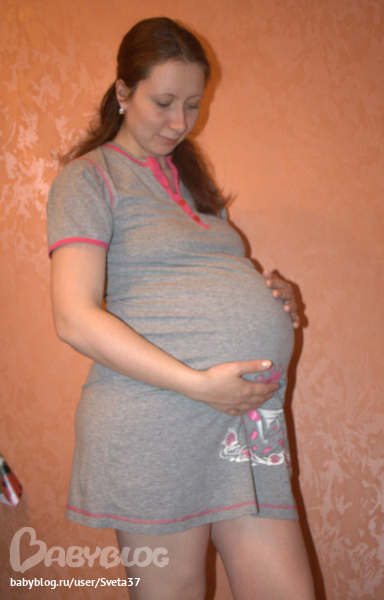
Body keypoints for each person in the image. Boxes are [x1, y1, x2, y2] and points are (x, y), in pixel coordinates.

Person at [47, 16, 315, 600]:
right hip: (158, 419)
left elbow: (196, 279)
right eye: (164, 102)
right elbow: (73, 317)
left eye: (193, 105)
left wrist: (274, 295)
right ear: (123, 91)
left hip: (245, 421)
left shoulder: (193, 184)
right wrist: (198, 385)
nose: (181, 123)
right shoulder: (87, 180)